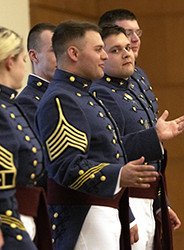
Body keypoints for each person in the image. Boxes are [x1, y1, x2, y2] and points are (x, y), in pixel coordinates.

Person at [35, 20, 160, 250]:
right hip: (84, 216)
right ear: (73, 53)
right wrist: (118, 174)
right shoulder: (62, 99)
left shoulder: (82, 94)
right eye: (98, 49)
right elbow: (67, 167)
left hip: (104, 211)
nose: (104, 56)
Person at [91, 23, 184, 250]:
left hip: (146, 200)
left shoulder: (132, 86)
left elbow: (153, 163)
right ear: (100, 55)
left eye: (127, 47)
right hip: (123, 200)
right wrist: (126, 214)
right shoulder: (99, 93)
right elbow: (108, 154)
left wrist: (160, 204)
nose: (127, 53)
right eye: (116, 50)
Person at [0, 27, 52, 250]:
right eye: (23, 59)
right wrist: (13, 231)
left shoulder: (10, 105)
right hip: (11, 221)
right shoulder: (3, 110)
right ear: (10, 61)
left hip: (28, 216)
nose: (24, 66)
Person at [17, 22, 57, 126]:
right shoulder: (27, 101)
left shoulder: (66, 94)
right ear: (34, 56)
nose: (61, 57)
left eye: (62, 51)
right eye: (54, 50)